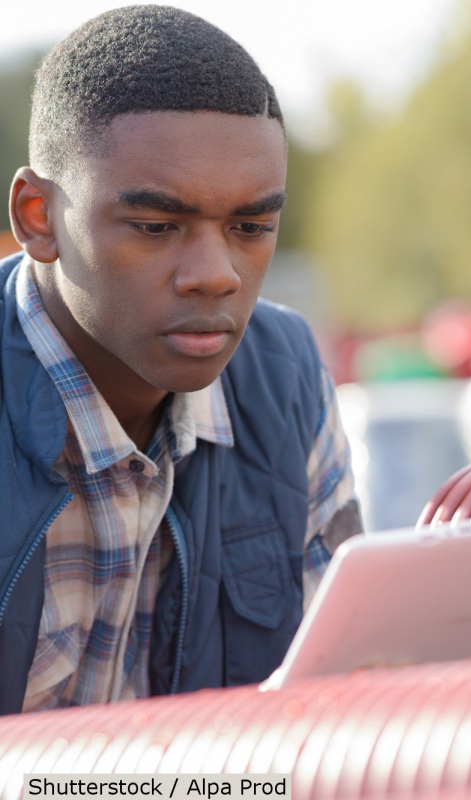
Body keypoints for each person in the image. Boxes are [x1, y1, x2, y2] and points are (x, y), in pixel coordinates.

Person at [0, 4, 362, 715]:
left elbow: (336, 698)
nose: (216, 274)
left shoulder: (284, 376)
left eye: (251, 227)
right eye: (158, 226)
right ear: (38, 218)